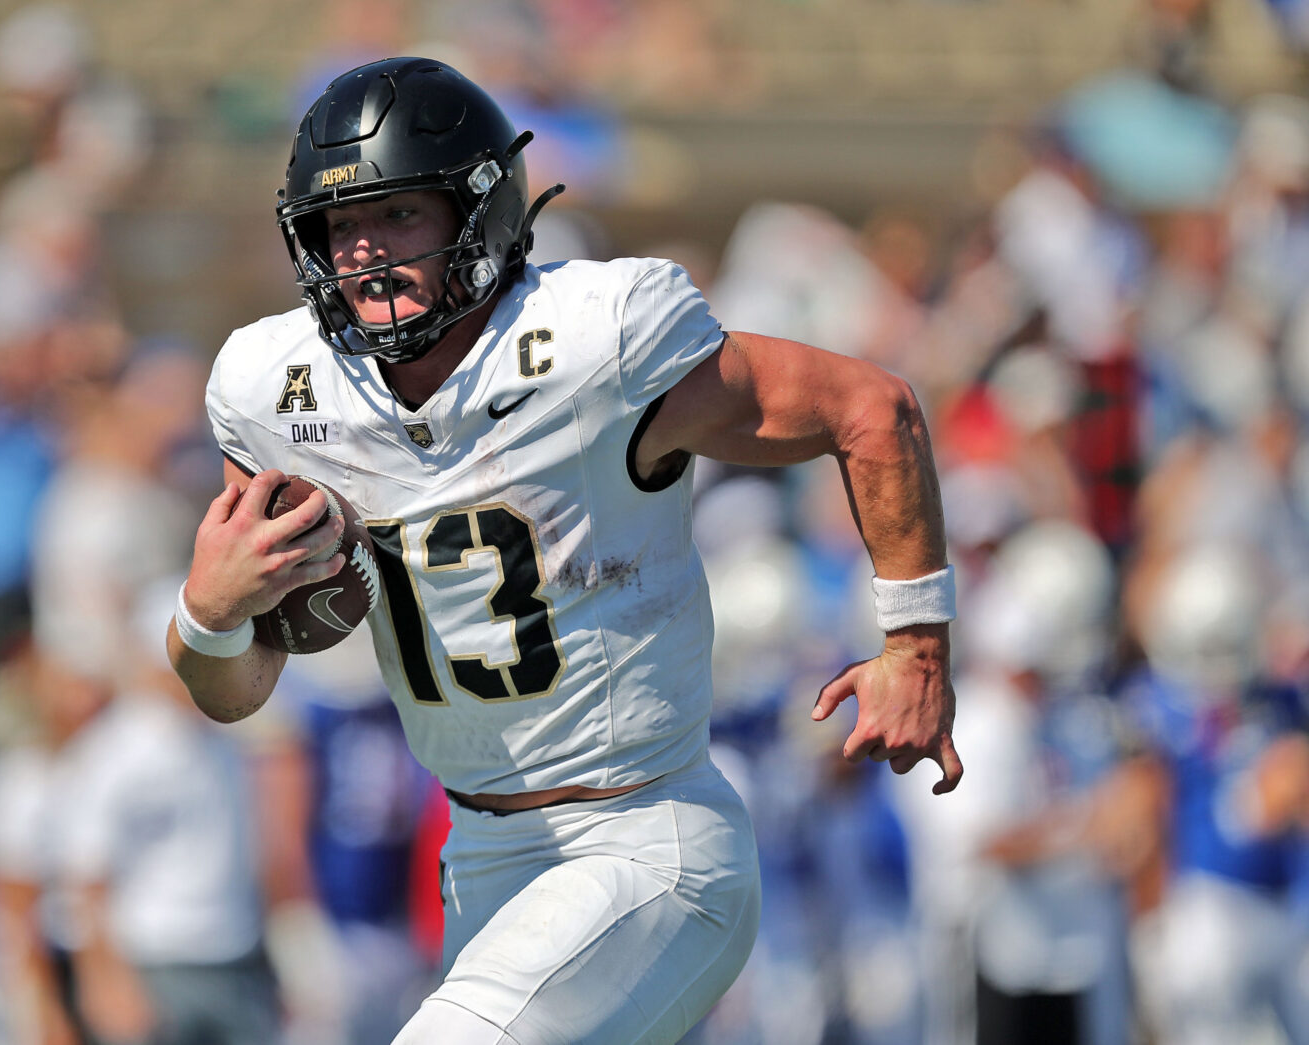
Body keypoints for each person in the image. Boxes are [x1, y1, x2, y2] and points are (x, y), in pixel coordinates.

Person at [170, 57, 962, 1044]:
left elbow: (869, 407)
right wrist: (208, 614)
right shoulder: (272, 389)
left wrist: (914, 647)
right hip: (484, 857)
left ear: (480, 212)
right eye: (341, 226)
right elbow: (233, 690)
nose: (365, 254)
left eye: (399, 216)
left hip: (646, 840)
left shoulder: (598, 337)